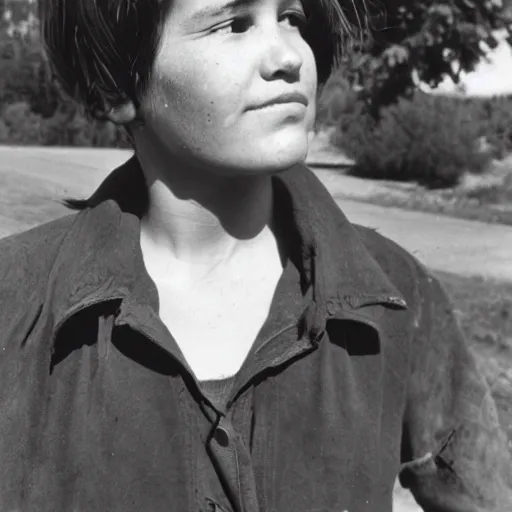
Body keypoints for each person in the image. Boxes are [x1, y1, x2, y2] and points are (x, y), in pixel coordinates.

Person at [0, 0, 510, 510]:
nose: (288, 55)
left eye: (293, 17)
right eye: (234, 23)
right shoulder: (13, 304)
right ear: (115, 89)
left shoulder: (397, 294)